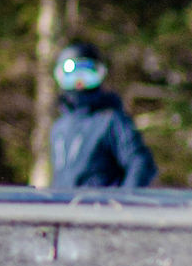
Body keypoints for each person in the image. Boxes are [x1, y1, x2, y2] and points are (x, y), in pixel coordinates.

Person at [47, 42, 157, 188]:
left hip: (100, 206)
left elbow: (140, 162)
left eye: (87, 76)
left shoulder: (111, 121)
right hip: (67, 207)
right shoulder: (59, 127)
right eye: (72, 77)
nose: (80, 84)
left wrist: (123, 202)